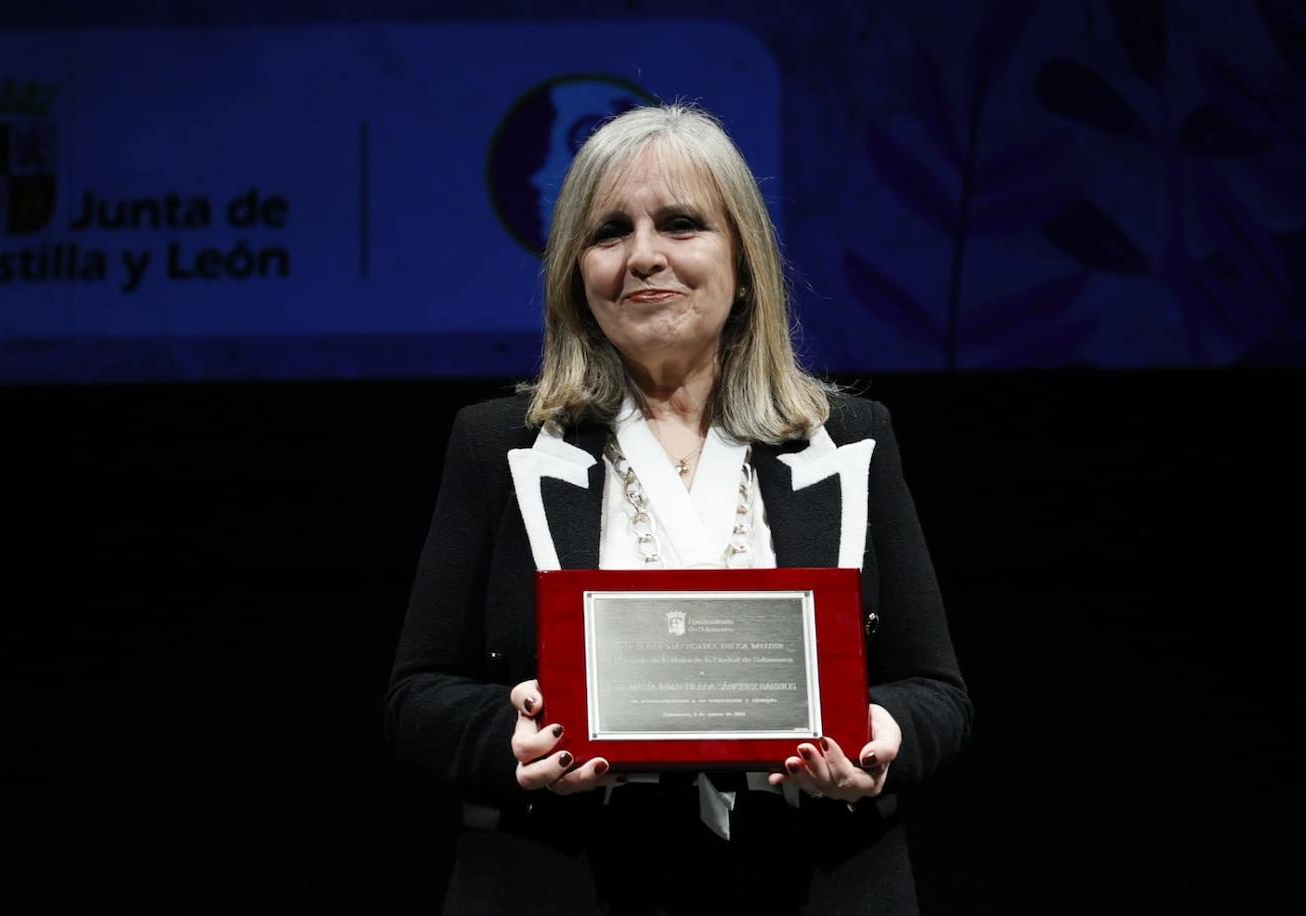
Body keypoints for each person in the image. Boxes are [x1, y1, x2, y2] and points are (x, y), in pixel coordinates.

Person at [387, 103, 971, 915]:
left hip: (815, 878)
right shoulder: (498, 448)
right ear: (574, 272)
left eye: (681, 224)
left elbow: (936, 688)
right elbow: (416, 694)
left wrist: (880, 734)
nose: (643, 257)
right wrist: (506, 738)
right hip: (566, 876)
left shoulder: (849, 439)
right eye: (609, 232)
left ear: (744, 261)